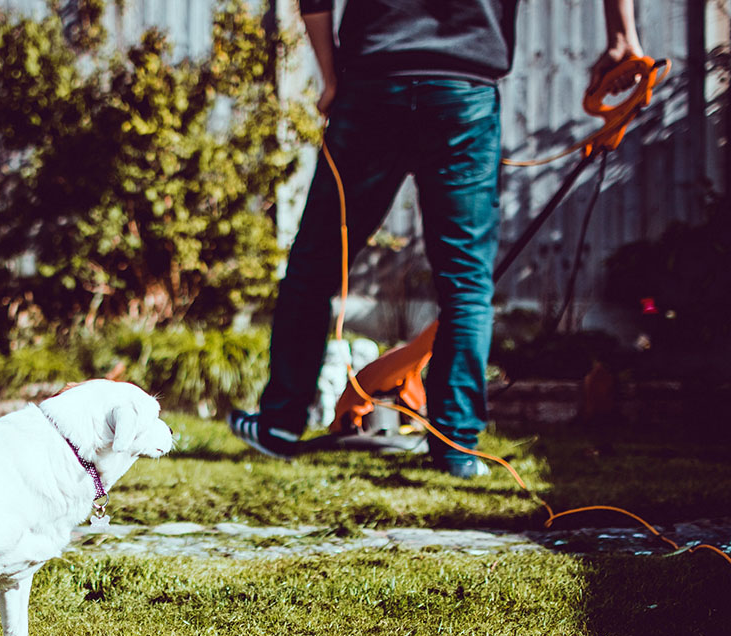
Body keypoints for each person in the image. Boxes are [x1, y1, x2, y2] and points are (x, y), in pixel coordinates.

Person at [228, 0, 644, 477]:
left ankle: (280, 424)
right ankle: (456, 449)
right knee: (466, 282)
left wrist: (330, 78)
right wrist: (620, 36)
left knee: (316, 262)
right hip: (462, 90)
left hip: (372, 86)